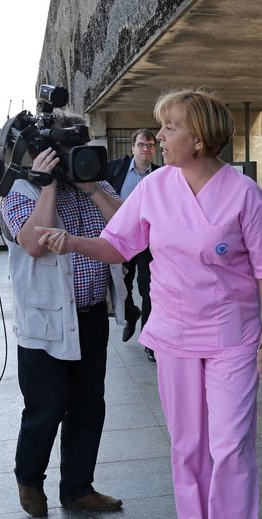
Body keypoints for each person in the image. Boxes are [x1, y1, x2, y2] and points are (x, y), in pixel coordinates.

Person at [36, 89, 262, 519]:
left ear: (198, 139)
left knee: (231, 446)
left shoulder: (243, 194)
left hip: (232, 337)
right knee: (187, 444)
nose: (159, 137)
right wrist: (71, 241)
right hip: (174, 336)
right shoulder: (154, 187)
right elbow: (119, 244)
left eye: (170, 127)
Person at [0, 111, 126, 518]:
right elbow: (35, 245)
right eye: (65, 153)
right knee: (47, 408)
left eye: (77, 150)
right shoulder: (19, 192)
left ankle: (77, 487)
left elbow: (129, 226)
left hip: (90, 316)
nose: (74, 159)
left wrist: (90, 187)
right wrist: (48, 186)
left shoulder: (95, 184)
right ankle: (29, 479)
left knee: (90, 406)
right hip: (47, 325)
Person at [106, 128, 159, 361]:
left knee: (148, 289)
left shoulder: (162, 174)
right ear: (132, 148)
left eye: (150, 145)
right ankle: (131, 313)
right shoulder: (116, 169)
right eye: (141, 145)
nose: (145, 149)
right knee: (121, 285)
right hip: (124, 239)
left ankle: (149, 341)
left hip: (150, 242)